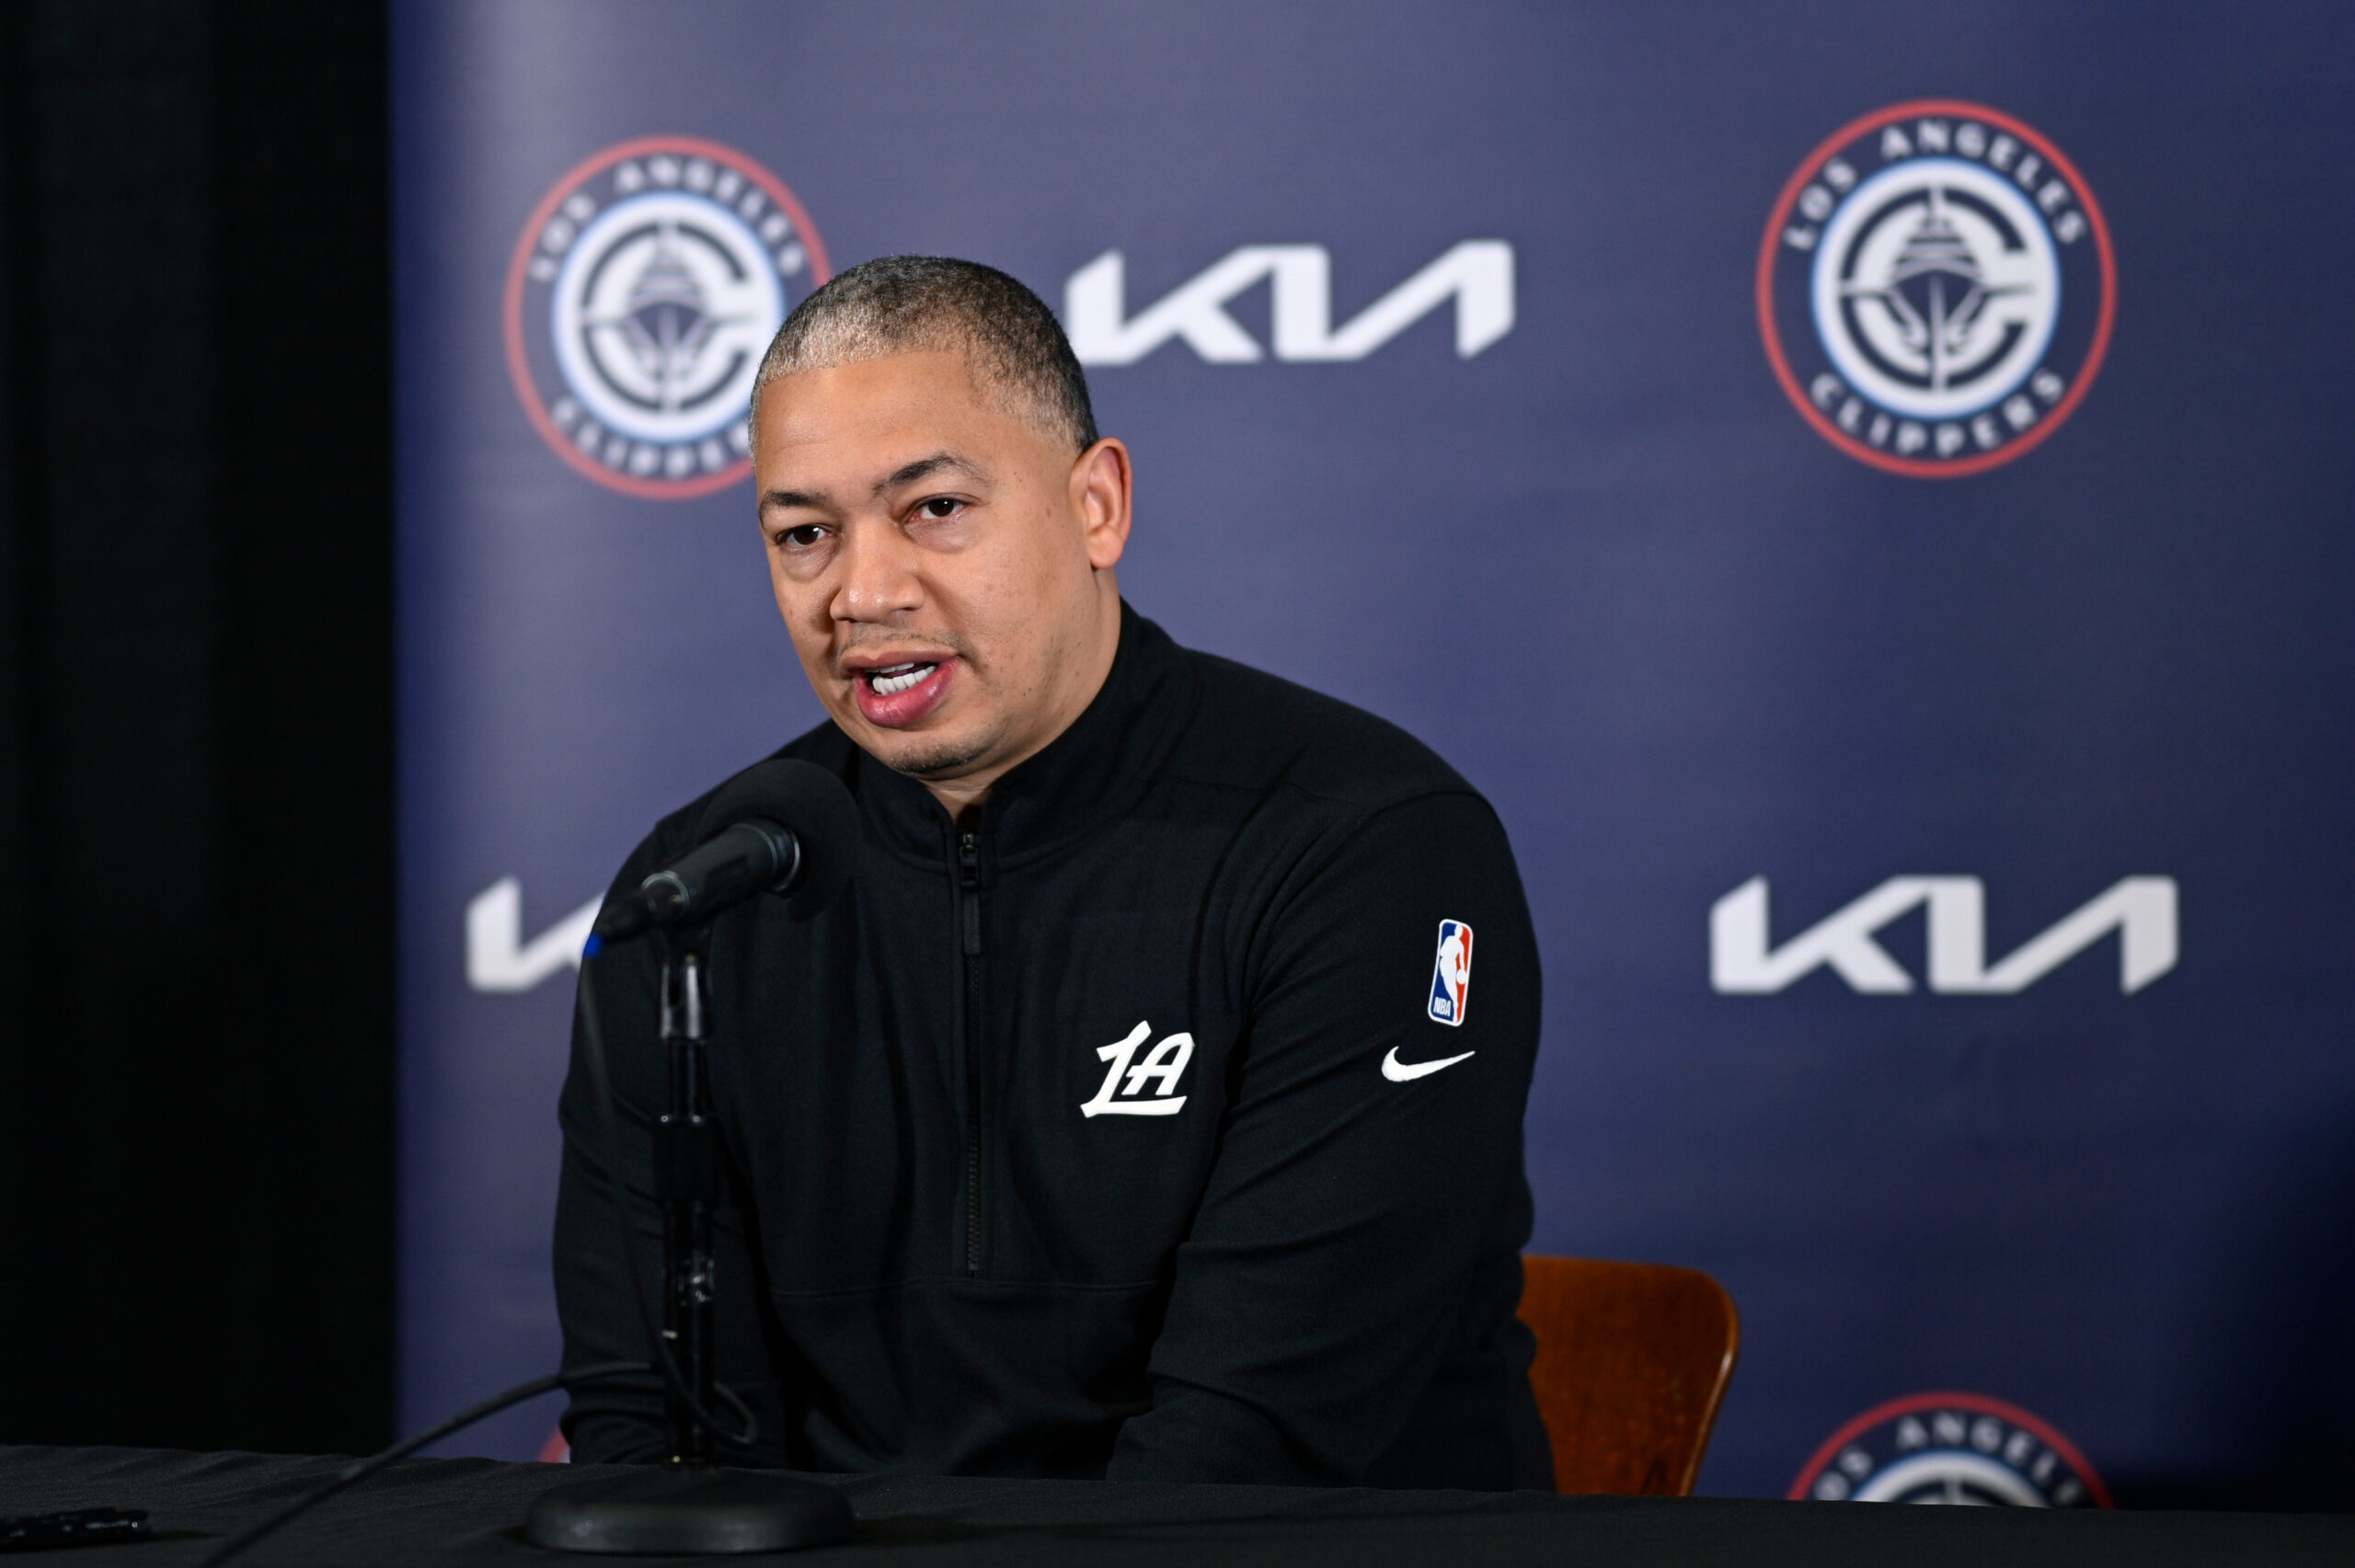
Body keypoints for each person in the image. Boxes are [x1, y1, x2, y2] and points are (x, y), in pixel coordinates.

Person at [554, 256, 1552, 1489]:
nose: (862, 592)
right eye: (805, 533)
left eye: (934, 509)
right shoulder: (698, 897)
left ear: (1098, 506)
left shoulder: (1368, 846)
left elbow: (1245, 1455)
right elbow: (659, 1439)